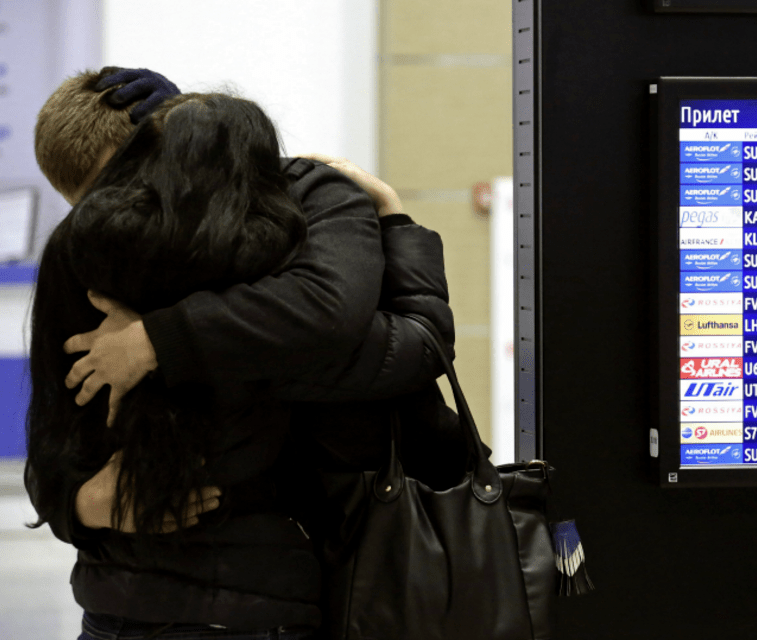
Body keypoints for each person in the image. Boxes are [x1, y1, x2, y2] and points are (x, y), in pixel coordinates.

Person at [27, 70, 463, 638]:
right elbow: (53, 437)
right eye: (95, 209)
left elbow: (354, 326)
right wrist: (82, 501)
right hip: (160, 599)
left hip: (245, 595)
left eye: (125, 191)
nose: (119, 228)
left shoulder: (295, 209)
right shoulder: (88, 254)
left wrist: (158, 340)